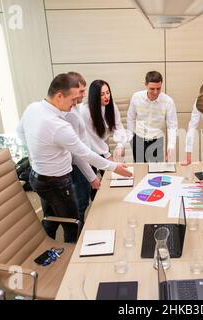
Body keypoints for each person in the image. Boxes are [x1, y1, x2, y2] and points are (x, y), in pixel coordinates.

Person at [17, 73, 132, 243]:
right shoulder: (58, 124)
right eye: (72, 99)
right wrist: (114, 167)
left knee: (51, 218)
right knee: (73, 223)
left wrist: (36, 156)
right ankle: (72, 256)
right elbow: (84, 152)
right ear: (59, 96)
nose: (75, 103)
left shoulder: (33, 108)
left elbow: (20, 131)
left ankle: (45, 247)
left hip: (37, 176)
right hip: (57, 181)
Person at [80, 79, 129, 200]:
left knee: (109, 177)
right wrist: (108, 156)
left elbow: (118, 126)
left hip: (101, 144)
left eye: (108, 92)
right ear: (94, 96)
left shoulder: (111, 106)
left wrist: (120, 145)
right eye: (102, 94)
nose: (106, 97)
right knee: (93, 184)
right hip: (88, 149)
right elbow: (93, 139)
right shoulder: (85, 111)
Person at [64, 72, 98, 233]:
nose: (84, 94)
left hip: (83, 162)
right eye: (81, 91)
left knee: (79, 206)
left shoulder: (76, 108)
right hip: (76, 167)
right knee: (80, 205)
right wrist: (92, 177)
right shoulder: (69, 113)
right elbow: (77, 153)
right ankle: (77, 242)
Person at [127, 71, 178, 163]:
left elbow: (172, 126)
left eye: (158, 88)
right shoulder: (136, 97)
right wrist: (131, 138)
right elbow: (131, 118)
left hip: (157, 140)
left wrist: (171, 146)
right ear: (145, 85)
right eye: (152, 89)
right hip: (138, 139)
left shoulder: (168, 101)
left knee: (157, 172)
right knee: (140, 171)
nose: (155, 92)